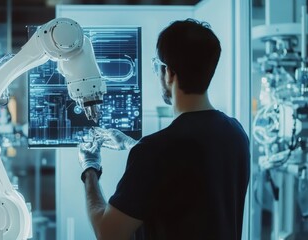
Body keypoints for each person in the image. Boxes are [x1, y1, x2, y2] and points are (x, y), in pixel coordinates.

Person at [77, 18, 250, 240]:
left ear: (168, 73)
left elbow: (107, 232)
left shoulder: (155, 151)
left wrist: (89, 168)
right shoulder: (235, 134)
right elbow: (188, 173)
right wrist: (132, 145)